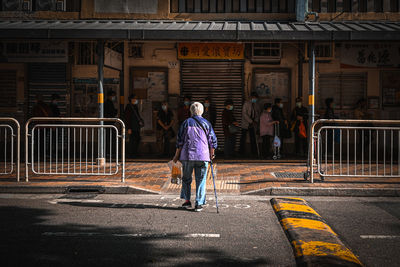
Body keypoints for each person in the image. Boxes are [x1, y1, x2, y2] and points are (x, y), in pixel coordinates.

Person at [173, 102, 217, 212]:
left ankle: (187, 201)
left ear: (191, 111)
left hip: (187, 156)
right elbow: (212, 141)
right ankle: (199, 203)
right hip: (203, 156)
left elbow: (180, 141)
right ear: (201, 111)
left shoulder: (185, 123)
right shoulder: (207, 123)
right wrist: (212, 154)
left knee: (186, 179)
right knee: (201, 180)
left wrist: (176, 156)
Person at [240, 92, 261, 157]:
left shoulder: (256, 105)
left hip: (253, 124)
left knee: (253, 138)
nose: (255, 99)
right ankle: (241, 152)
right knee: (243, 138)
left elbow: (258, 113)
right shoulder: (246, 104)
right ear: (251, 97)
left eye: (256, 98)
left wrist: (255, 121)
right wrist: (250, 121)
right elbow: (244, 114)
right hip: (246, 123)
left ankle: (254, 152)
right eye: (254, 98)